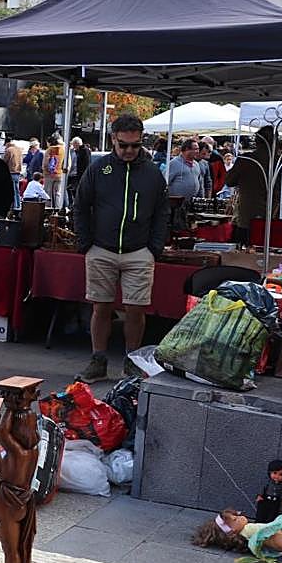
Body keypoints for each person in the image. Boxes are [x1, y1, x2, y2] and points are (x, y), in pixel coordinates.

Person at [73, 113, 169, 383]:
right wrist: (86, 244)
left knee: (136, 309)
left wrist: (154, 248)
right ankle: (98, 360)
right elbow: (80, 205)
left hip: (139, 250)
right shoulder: (98, 168)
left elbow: (163, 212)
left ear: (141, 142)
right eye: (123, 145)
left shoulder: (152, 173)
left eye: (135, 145)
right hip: (101, 248)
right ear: (113, 139)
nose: (129, 151)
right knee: (101, 307)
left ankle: (132, 361)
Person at [225, 126, 282, 247]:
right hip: (275, 215)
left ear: (256, 141)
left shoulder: (245, 160)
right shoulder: (280, 161)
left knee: (246, 252)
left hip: (248, 216)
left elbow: (229, 181)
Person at [42, 134, 66, 208]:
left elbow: (45, 163)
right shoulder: (64, 150)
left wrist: (44, 170)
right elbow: (68, 163)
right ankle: (57, 209)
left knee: (48, 193)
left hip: (49, 175)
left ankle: (48, 210)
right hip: (60, 174)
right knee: (57, 193)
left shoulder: (49, 150)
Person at [67, 136, 91, 206]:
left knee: (77, 191)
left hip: (81, 175)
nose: (74, 147)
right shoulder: (79, 151)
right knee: (73, 190)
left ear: (77, 144)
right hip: (78, 174)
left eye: (74, 145)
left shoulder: (84, 151)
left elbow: (86, 164)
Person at [2, 137, 23, 205]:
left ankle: (14, 207)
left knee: (11, 191)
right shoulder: (19, 149)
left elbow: (4, 162)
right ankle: (18, 206)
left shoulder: (9, 150)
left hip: (10, 172)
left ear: (7, 143)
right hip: (18, 172)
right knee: (17, 191)